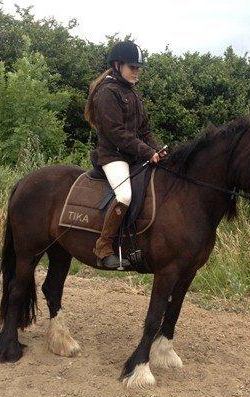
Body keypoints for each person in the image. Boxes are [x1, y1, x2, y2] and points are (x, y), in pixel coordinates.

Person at [84, 40, 167, 269]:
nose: (136, 72)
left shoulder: (133, 95)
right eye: (133, 67)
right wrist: (147, 151)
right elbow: (116, 133)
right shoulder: (107, 93)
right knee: (124, 196)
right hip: (113, 156)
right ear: (118, 65)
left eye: (138, 68)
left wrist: (159, 149)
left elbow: (145, 131)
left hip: (132, 156)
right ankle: (103, 247)